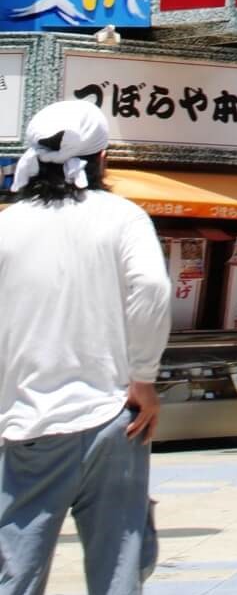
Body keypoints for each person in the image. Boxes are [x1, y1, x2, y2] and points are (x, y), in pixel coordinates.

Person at [0, 99, 171, 595]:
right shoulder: (123, 217)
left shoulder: (7, 225)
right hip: (116, 414)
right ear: (102, 160)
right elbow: (153, 290)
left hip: (31, 420)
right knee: (118, 564)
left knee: (17, 570)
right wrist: (144, 376)